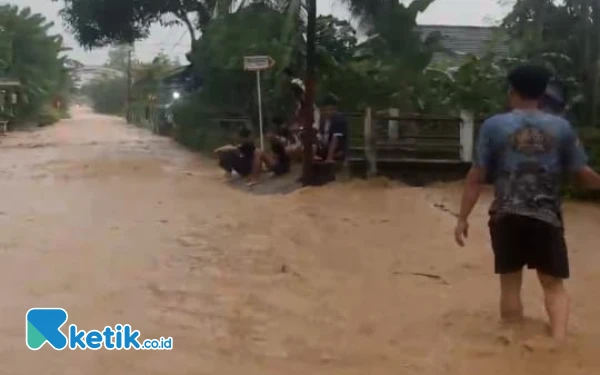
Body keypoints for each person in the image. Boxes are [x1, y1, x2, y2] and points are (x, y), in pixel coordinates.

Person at [454, 65, 600, 343]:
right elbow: (582, 175)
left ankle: (513, 346)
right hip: (547, 216)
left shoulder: (493, 126)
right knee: (554, 286)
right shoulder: (562, 127)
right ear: (543, 94)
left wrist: (462, 218)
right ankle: (557, 347)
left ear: (512, 91)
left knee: (510, 285)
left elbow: (476, 176)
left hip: (506, 215)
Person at [316, 95, 348, 163]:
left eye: (331, 109)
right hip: (325, 149)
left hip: (337, 152)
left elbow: (335, 139)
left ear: (335, 109)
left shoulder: (339, 120)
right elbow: (320, 136)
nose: (328, 112)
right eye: (325, 110)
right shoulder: (323, 120)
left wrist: (329, 157)